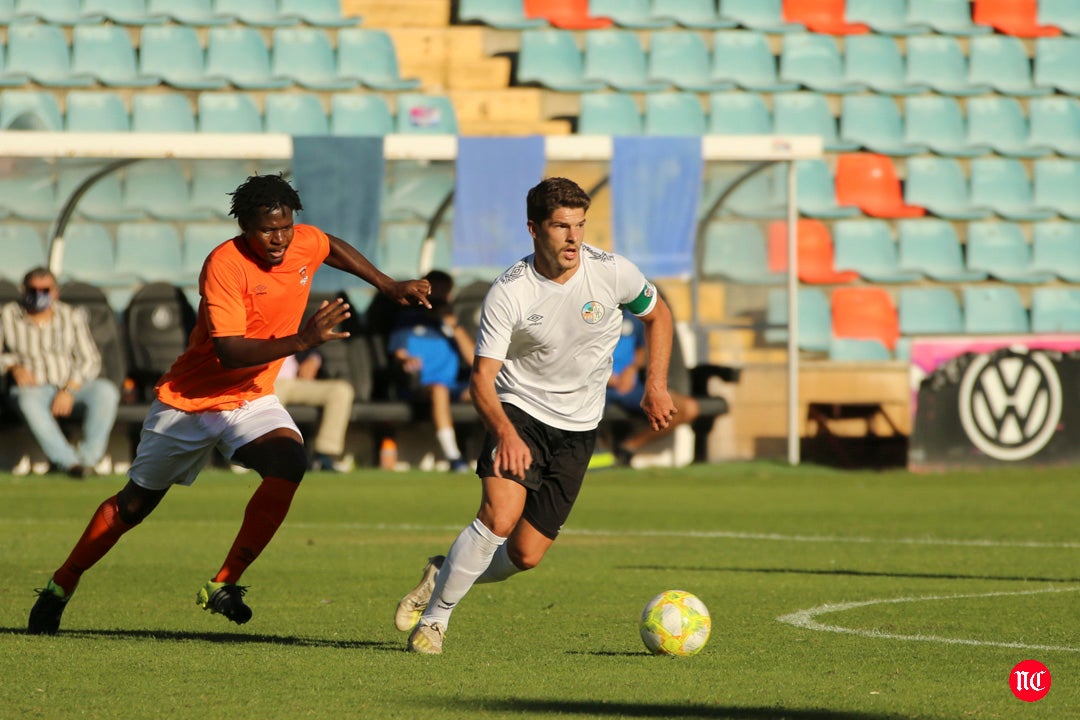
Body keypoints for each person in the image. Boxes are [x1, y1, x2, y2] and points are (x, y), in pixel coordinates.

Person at [28, 173, 431, 635]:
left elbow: (327, 244)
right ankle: (61, 584)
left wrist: (385, 283)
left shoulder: (302, 240)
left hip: (250, 399)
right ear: (244, 225)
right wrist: (303, 339)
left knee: (289, 463)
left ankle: (222, 583)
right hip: (189, 402)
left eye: (285, 226)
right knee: (133, 506)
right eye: (267, 229)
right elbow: (230, 352)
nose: (279, 239)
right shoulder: (225, 264)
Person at [394, 177, 677, 654]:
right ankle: (436, 623)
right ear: (533, 229)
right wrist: (504, 432)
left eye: (580, 226)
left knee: (525, 554)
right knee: (498, 516)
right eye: (561, 226)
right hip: (520, 410)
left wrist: (656, 385)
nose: (573, 238)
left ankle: (442, 575)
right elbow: (481, 379)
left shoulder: (613, 272)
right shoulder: (510, 292)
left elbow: (659, 315)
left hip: (580, 426)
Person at [0, 267, 120, 479]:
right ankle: (69, 463)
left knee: (106, 392)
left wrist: (69, 389)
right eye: (33, 290)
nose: (39, 295)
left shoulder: (70, 315)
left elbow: (90, 359)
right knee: (26, 401)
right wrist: (12, 366)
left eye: (45, 290)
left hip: (72, 384)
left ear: (55, 292)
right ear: (23, 290)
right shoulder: (8, 315)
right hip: (34, 389)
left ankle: (88, 460)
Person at [388, 270, 475, 472]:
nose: (437, 300)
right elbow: (398, 353)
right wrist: (406, 359)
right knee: (439, 390)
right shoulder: (407, 319)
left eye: (443, 295)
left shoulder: (453, 323)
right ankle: (454, 456)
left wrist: (454, 326)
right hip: (422, 386)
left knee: (491, 389)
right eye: (433, 294)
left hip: (454, 386)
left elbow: (475, 361)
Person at [604, 309, 699, 467]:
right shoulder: (591, 309)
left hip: (630, 389)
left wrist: (632, 369)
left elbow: (642, 350)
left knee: (688, 409)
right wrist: (604, 375)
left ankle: (628, 448)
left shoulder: (635, 314)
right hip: (594, 388)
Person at [274, 350, 355, 471]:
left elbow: (312, 344)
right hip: (265, 383)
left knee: (340, 391)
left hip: (295, 381)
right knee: (270, 400)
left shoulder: (291, 329)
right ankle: (263, 456)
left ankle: (324, 455)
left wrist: (313, 359)